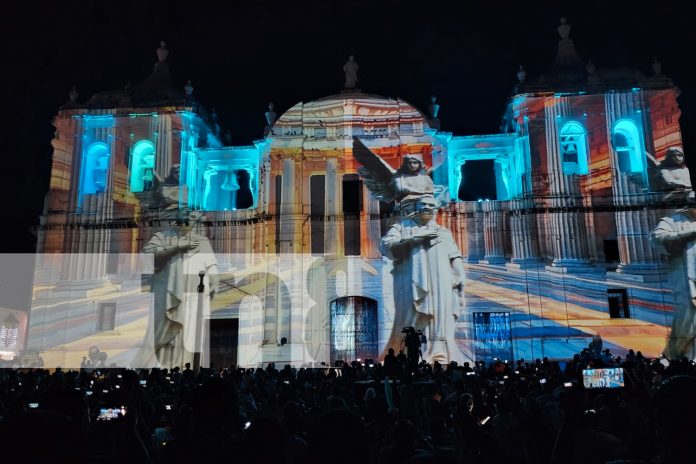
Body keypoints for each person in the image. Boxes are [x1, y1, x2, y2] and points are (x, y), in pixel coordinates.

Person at [380, 194, 468, 364]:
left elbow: (454, 255)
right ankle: (405, 355)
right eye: (423, 204)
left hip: (441, 281)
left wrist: (460, 275)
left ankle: (438, 352)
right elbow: (386, 246)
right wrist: (415, 240)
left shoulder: (443, 232)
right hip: (410, 280)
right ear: (416, 208)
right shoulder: (402, 228)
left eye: (431, 204)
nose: (427, 207)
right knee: (409, 318)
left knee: (440, 315)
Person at [650, 206, 696, 360]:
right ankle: (675, 357)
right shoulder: (673, 221)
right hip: (686, 281)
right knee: (687, 321)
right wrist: (689, 233)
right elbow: (657, 238)